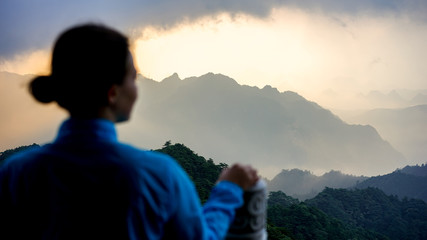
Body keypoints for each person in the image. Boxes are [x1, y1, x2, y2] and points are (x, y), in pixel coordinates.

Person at [0, 24, 259, 239]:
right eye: (133, 78)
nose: (137, 88)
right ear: (113, 93)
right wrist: (229, 189)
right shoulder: (158, 175)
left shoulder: (15, 174)